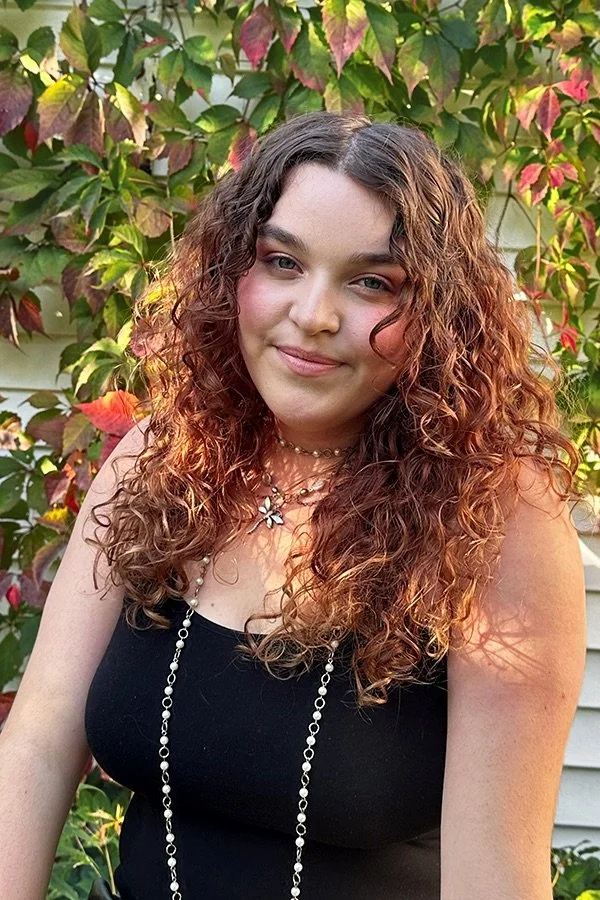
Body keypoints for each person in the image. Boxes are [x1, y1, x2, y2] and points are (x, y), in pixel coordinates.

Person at [0, 111, 587, 900]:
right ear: (231, 273)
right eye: (283, 261)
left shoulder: (496, 515)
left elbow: (496, 880)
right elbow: (36, 745)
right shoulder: (161, 460)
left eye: (373, 282)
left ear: (435, 318)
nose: (314, 314)